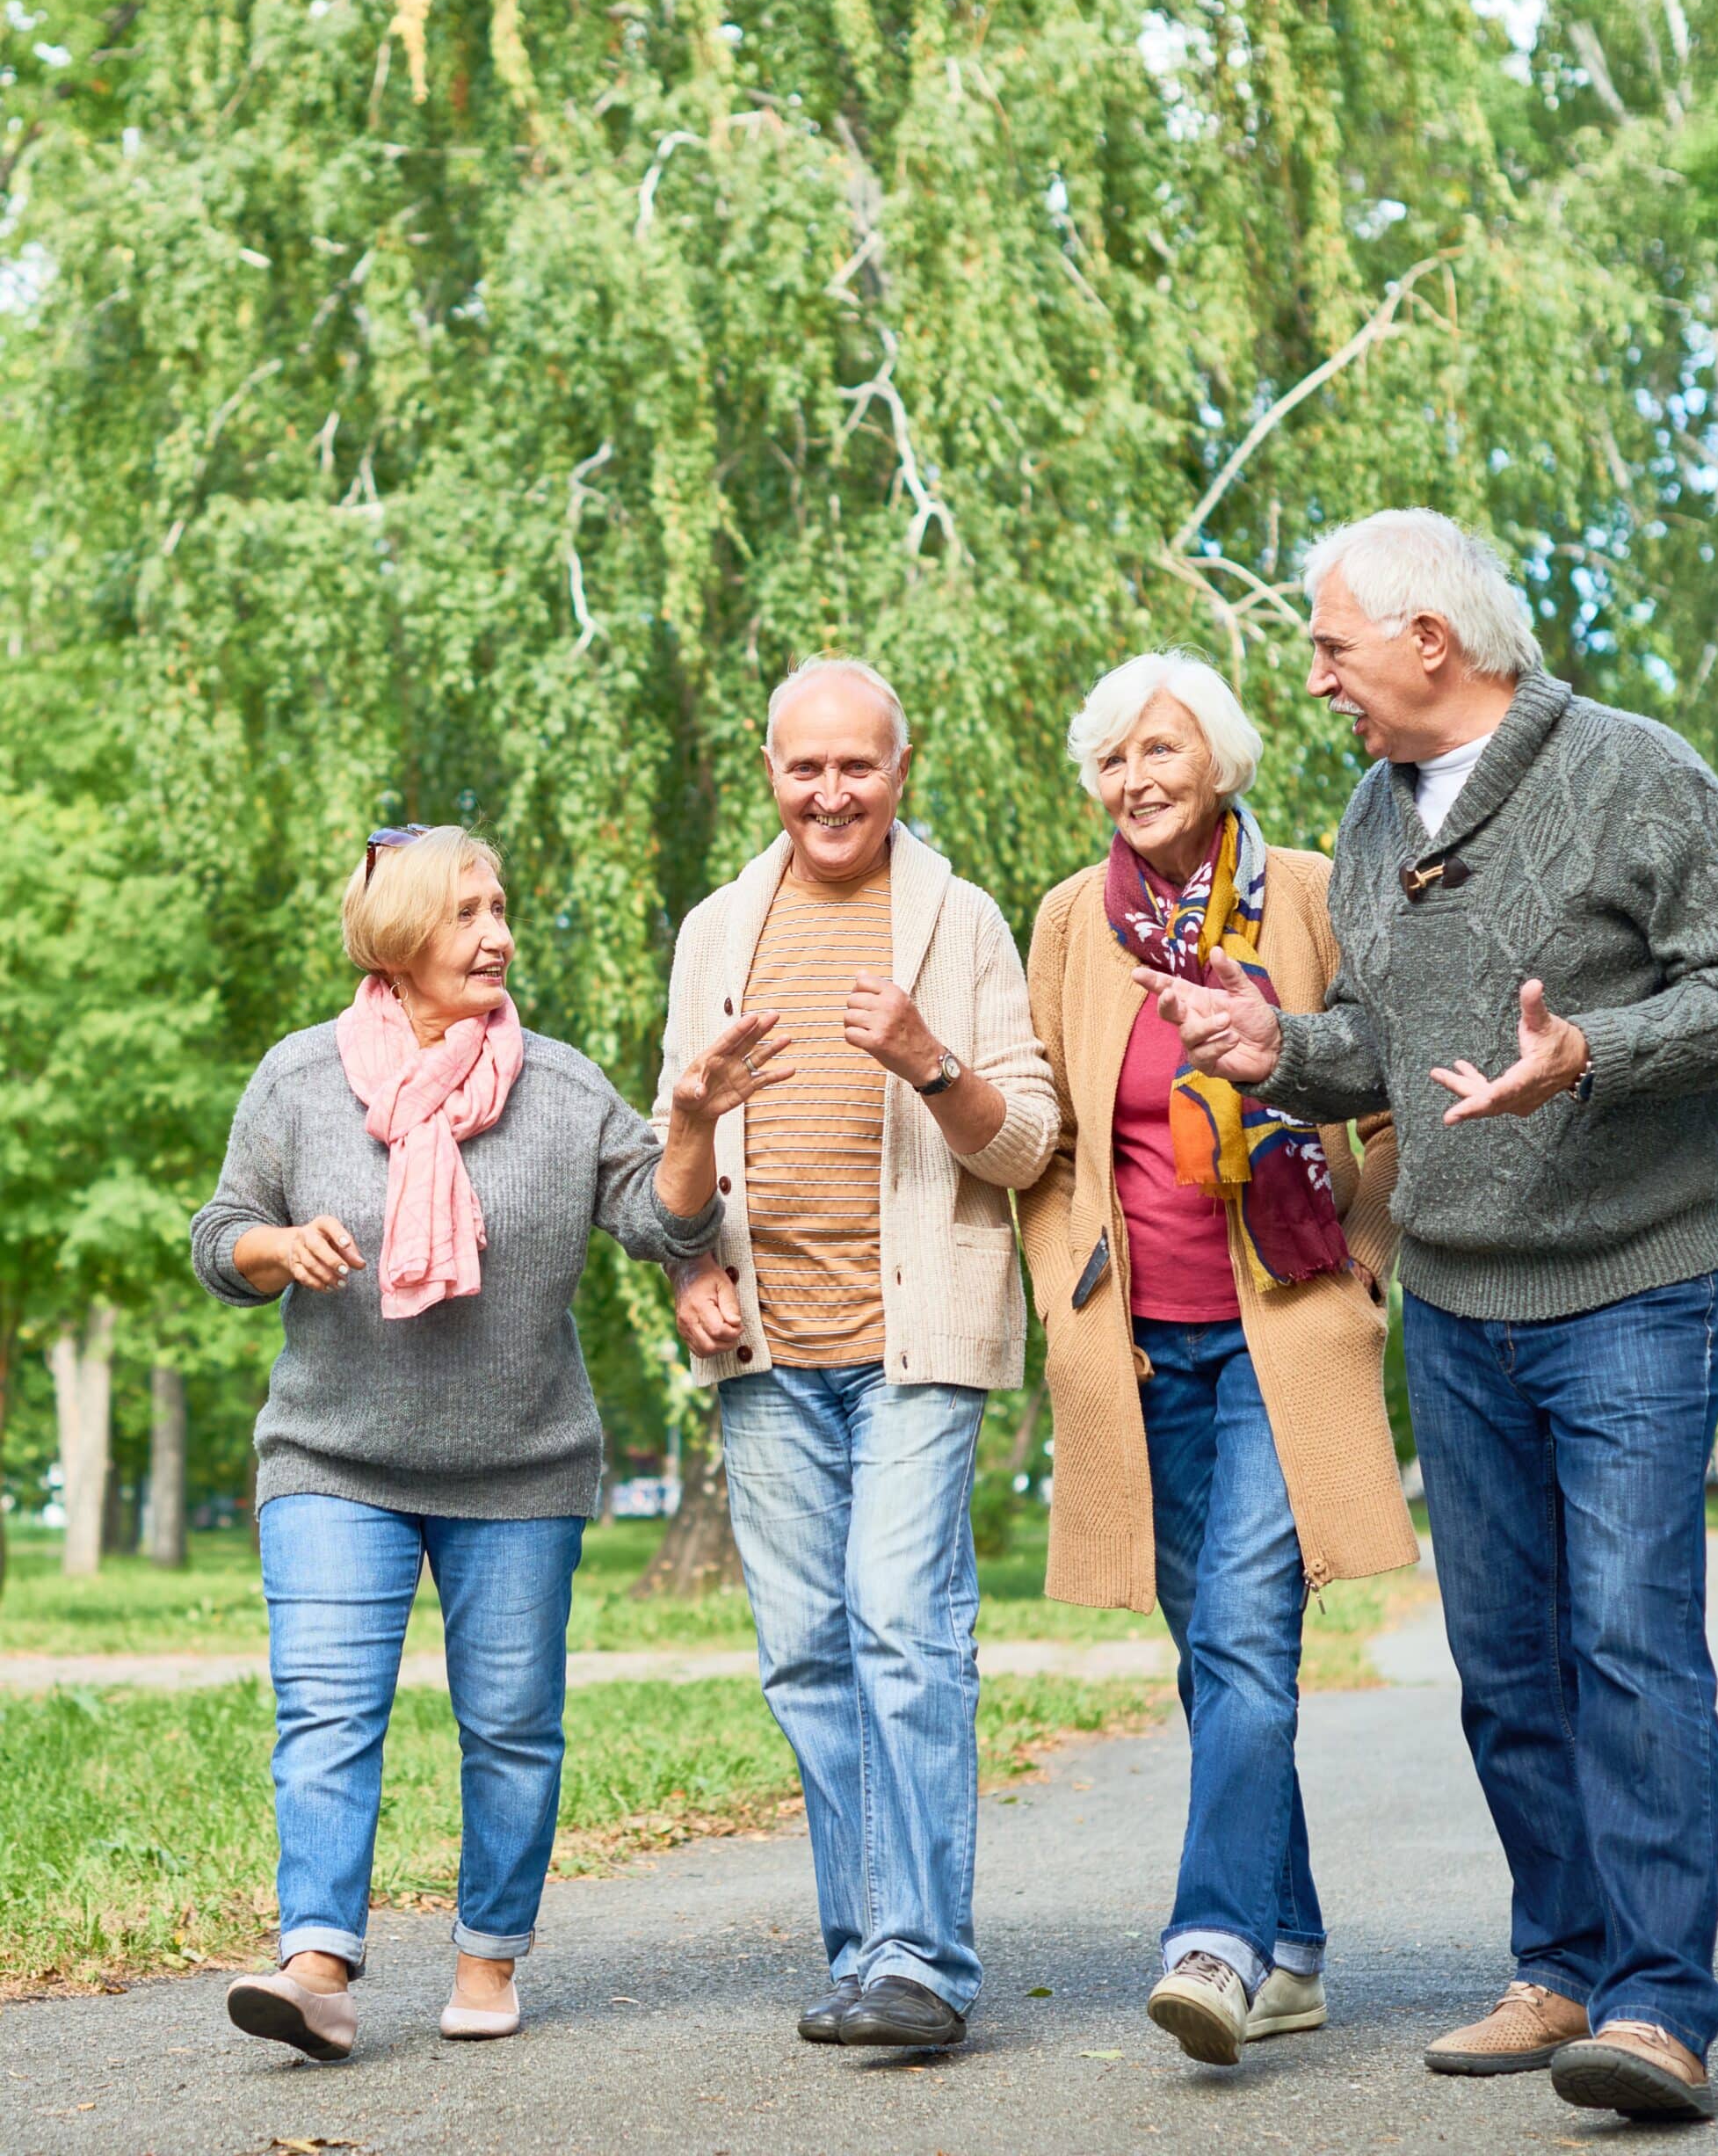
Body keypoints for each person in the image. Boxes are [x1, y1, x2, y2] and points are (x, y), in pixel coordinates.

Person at [1142, 511, 1718, 2121]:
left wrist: (1591, 1054)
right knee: (1505, 1660)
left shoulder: (1635, 773)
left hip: (1634, 1283)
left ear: (1428, 641)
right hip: (1456, 1298)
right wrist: (1278, 1051)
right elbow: (1384, 1044)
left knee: (1628, 1643)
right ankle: (1561, 1966)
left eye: (1332, 647)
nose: (1316, 679)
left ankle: (1658, 2006)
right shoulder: (1375, 812)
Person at [191, 824, 782, 2061]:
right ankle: (316, 1967)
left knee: (510, 1726)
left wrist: (686, 1123)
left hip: (520, 1467)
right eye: (467, 913)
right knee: (327, 1716)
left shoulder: (557, 1087)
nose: (497, 934)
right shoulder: (301, 1078)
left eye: (501, 909)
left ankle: (487, 1955)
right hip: (332, 1459)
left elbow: (664, 1226)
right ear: (400, 936)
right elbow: (220, 1233)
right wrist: (277, 1247)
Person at [656, 657, 1060, 2053]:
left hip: (915, 1337)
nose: (831, 794)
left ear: (902, 768)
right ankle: (866, 1951)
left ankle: (923, 1962)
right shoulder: (717, 929)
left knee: (900, 1621)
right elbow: (674, 1166)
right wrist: (689, 1260)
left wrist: (929, 1059)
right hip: (765, 1347)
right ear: (770, 766)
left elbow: (1027, 1145)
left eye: (857, 767)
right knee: (805, 1656)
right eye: (805, 767)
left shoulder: (958, 919)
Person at [1020, 650, 1417, 2068]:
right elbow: (1054, 1139)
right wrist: (1066, 1298)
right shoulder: (1072, 922)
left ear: (1223, 760)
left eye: (1160, 749)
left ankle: (1216, 1945)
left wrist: (1364, 1259)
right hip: (1137, 1347)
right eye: (1112, 757)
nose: (1134, 779)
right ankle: (1292, 1945)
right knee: (1211, 1658)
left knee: (1247, 1636)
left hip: (1281, 1326)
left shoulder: (1306, 893)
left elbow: (1390, 1093)